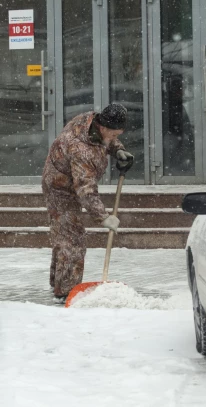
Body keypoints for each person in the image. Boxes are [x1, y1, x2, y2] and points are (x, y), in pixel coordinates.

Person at [42, 104, 134, 299]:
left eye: (119, 135)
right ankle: (66, 293)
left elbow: (105, 141)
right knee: (72, 239)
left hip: (66, 175)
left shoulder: (90, 120)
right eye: (113, 135)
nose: (114, 139)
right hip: (60, 188)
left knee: (64, 235)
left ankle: (57, 283)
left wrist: (117, 150)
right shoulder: (81, 149)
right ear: (102, 127)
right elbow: (86, 190)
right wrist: (103, 217)